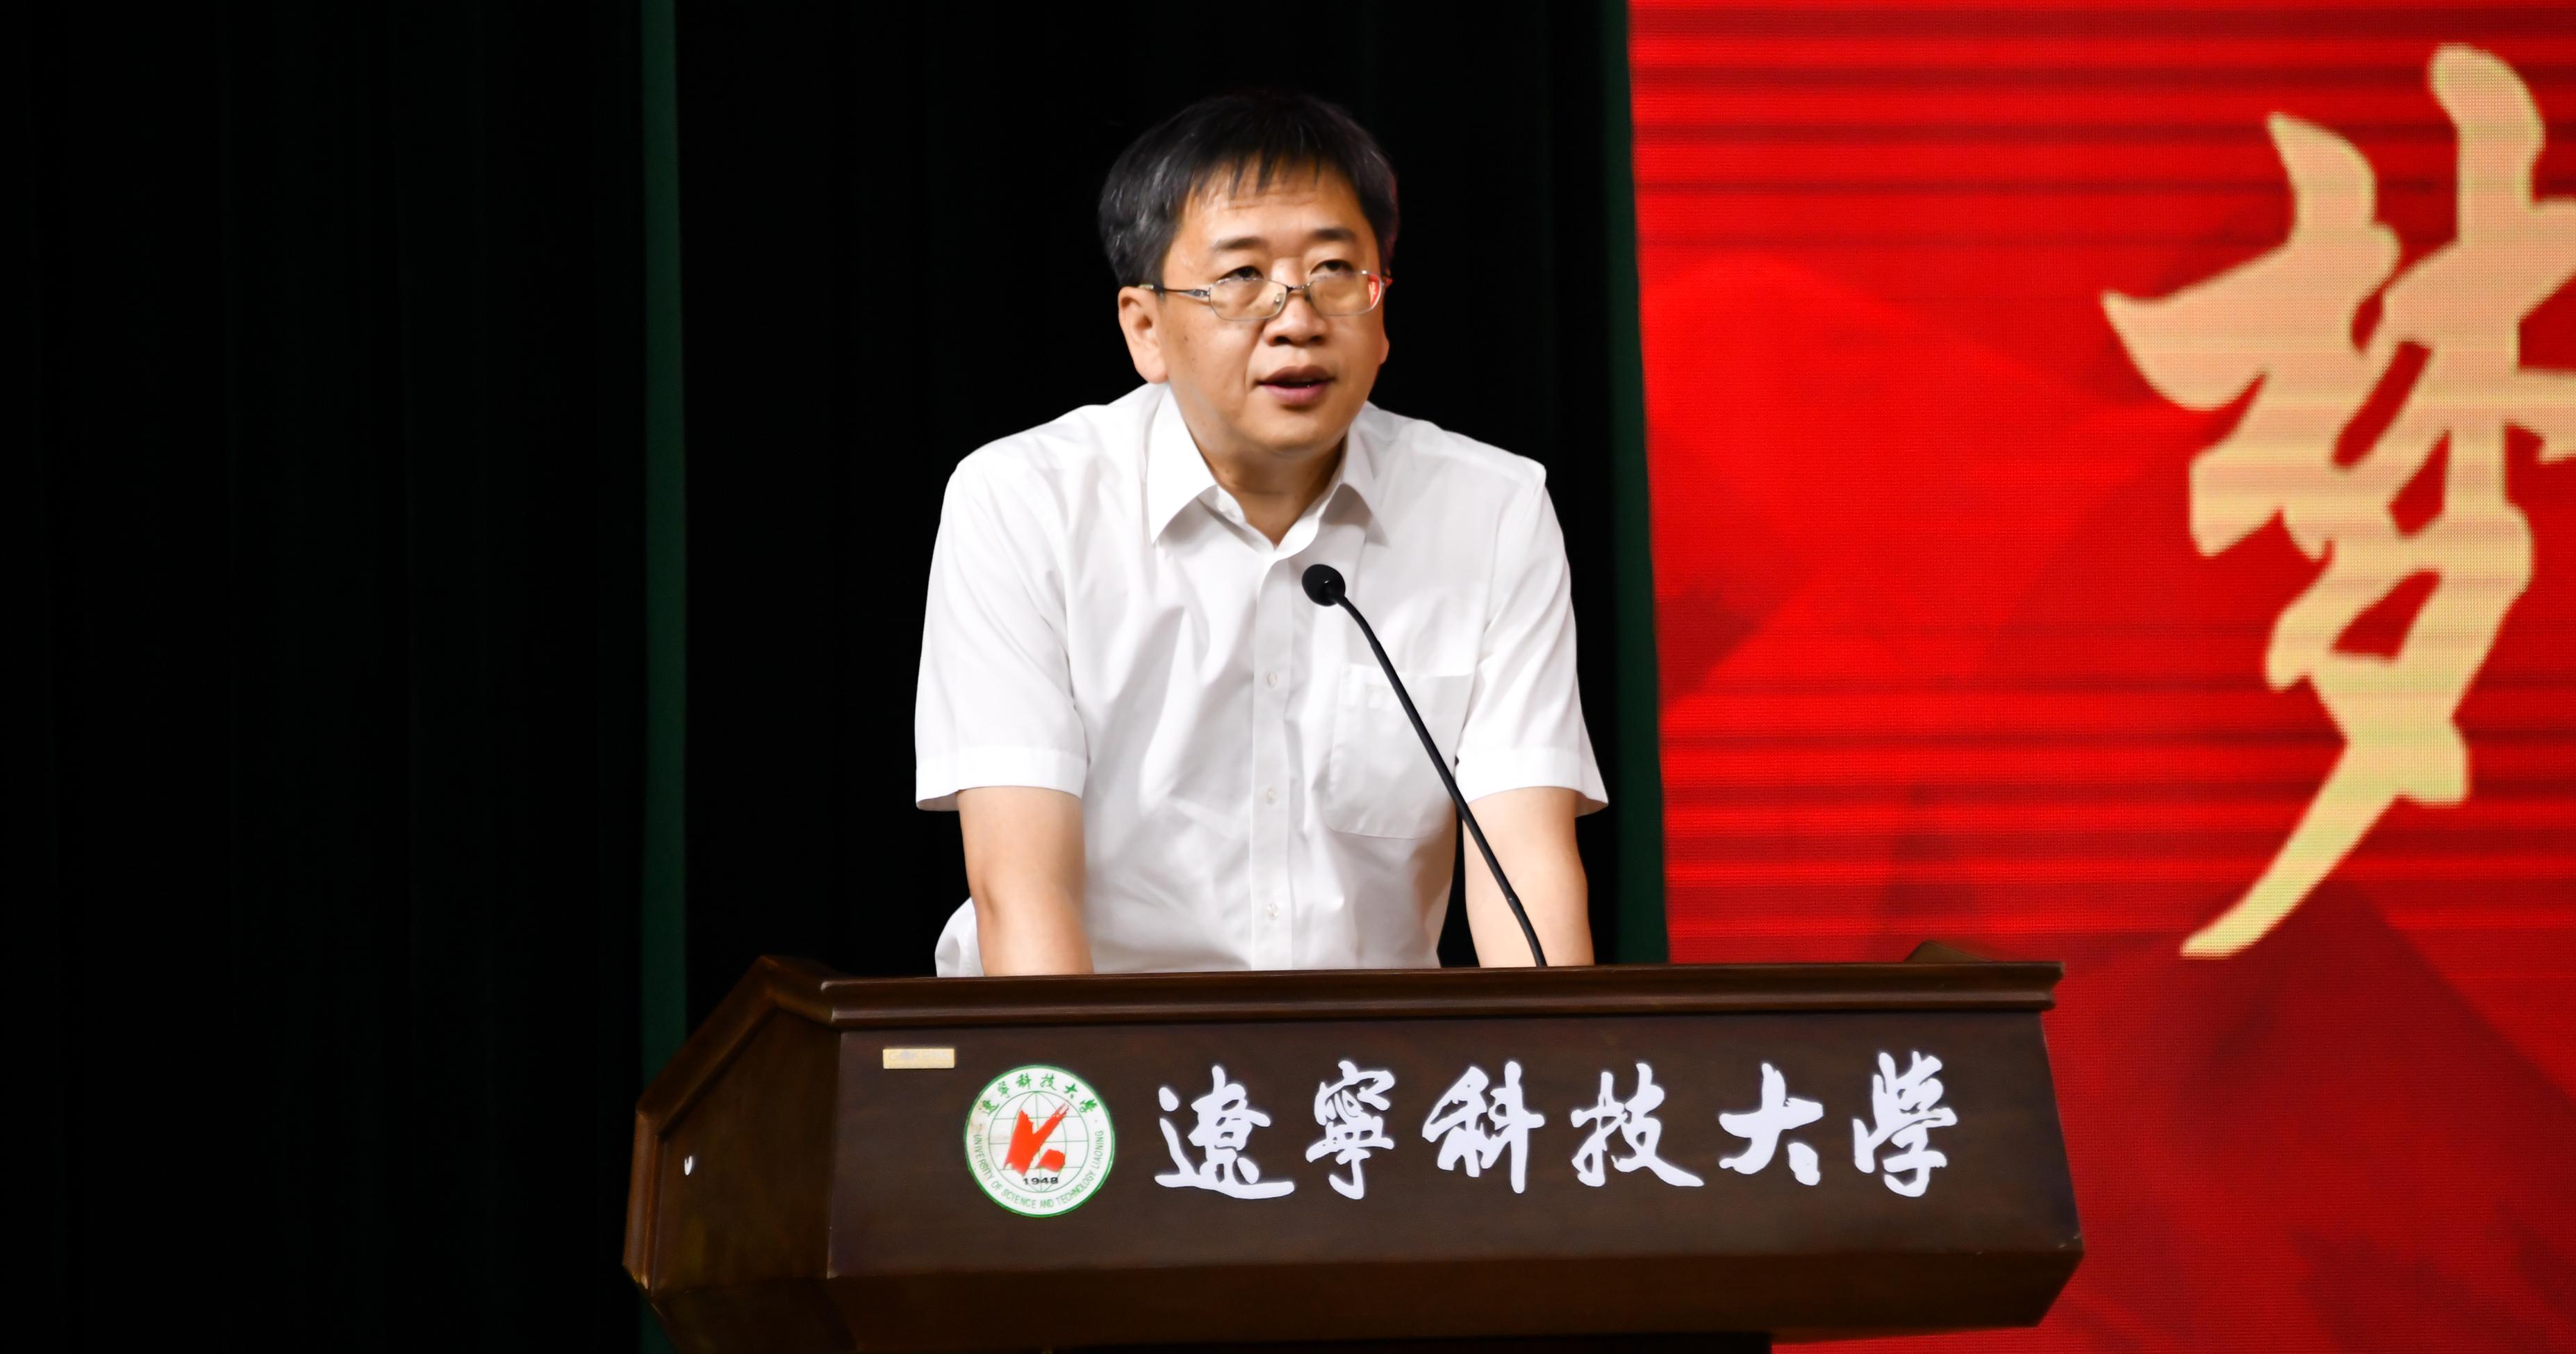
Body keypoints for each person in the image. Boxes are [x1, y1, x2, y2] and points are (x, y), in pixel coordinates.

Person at [914, 90, 1604, 976]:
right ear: (1145, 329)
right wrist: (1085, 1067)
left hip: (1372, 1057)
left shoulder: (1493, 509)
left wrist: (1555, 1063)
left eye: (1335, 271)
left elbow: (1527, 864)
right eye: (1242, 277)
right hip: (1094, 1040)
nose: (1298, 318)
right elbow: (1021, 889)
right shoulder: (1025, 503)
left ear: (1382, 311)